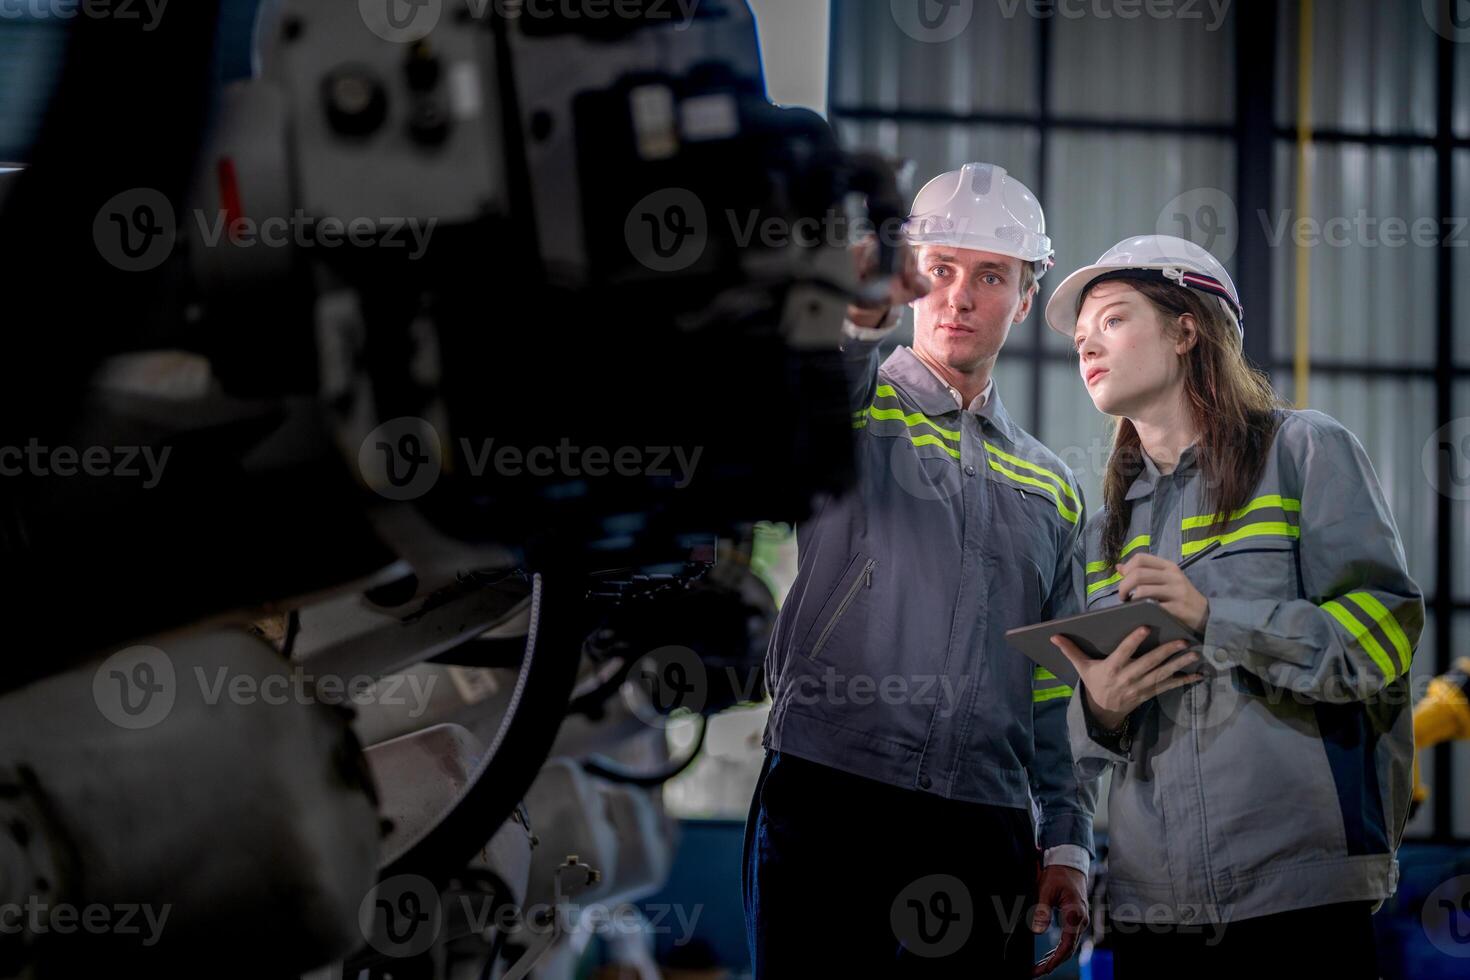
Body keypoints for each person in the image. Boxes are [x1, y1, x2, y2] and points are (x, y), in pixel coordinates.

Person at [744, 163, 1099, 978]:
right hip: (833, 791)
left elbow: (1056, 687)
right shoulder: (861, 410)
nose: (960, 297)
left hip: (985, 822)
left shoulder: (1052, 482)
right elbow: (820, 396)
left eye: (990, 276)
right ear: (909, 282)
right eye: (939, 270)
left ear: (1025, 294)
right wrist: (860, 317)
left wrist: (1070, 839)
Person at [1043, 235, 1422, 977]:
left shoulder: (1304, 452)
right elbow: (1080, 741)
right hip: (1153, 911)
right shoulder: (1103, 532)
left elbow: (1382, 640)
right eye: (1082, 337)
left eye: (1113, 320)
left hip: (1300, 897)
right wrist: (1103, 711)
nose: (1088, 346)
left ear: (1188, 329)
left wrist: (1217, 617)